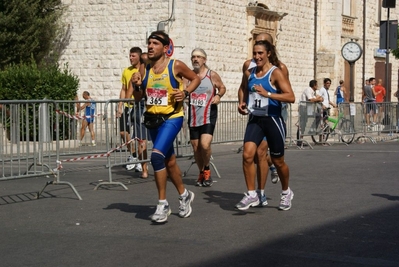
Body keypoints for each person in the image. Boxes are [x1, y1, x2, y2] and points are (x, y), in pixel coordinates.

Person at [129, 31, 201, 223]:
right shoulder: (145, 69)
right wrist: (136, 85)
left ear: (165, 47)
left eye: (155, 43)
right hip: (153, 120)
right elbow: (138, 98)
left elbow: (196, 78)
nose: (150, 46)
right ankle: (184, 194)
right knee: (169, 162)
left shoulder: (175, 65)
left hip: (172, 118)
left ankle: (162, 204)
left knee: (156, 157)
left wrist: (185, 92)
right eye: (149, 43)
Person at [236, 40, 295, 211]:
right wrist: (243, 103)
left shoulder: (275, 73)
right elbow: (245, 89)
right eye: (255, 53)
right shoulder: (250, 72)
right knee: (247, 155)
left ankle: (286, 192)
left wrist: (268, 94)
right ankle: (251, 193)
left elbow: (290, 97)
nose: (257, 56)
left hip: (273, 120)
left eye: (260, 53)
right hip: (255, 118)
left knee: (278, 161)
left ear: (268, 53)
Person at [186, 48, 226, 187]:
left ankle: (207, 168)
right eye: (193, 57)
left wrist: (218, 95)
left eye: (198, 57)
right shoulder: (188, 76)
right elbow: (183, 90)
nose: (195, 59)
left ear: (204, 60)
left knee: (204, 144)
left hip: (209, 114)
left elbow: (222, 87)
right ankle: (201, 171)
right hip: (193, 115)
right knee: (196, 147)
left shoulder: (211, 75)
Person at [117, 47, 147, 174]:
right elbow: (124, 89)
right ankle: (133, 154)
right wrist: (120, 105)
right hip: (128, 106)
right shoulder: (126, 71)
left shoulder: (143, 70)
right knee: (123, 133)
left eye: (133, 56)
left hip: (139, 105)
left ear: (139, 57)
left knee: (139, 136)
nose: (131, 58)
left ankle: (142, 162)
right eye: (129, 56)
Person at [297, 80, 324, 144]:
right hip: (303, 108)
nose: (317, 86)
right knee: (302, 125)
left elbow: (318, 98)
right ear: (314, 85)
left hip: (308, 109)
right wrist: (318, 99)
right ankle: (299, 140)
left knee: (318, 116)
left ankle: (312, 128)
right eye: (316, 85)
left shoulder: (313, 91)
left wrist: (319, 99)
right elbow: (311, 99)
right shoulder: (308, 90)